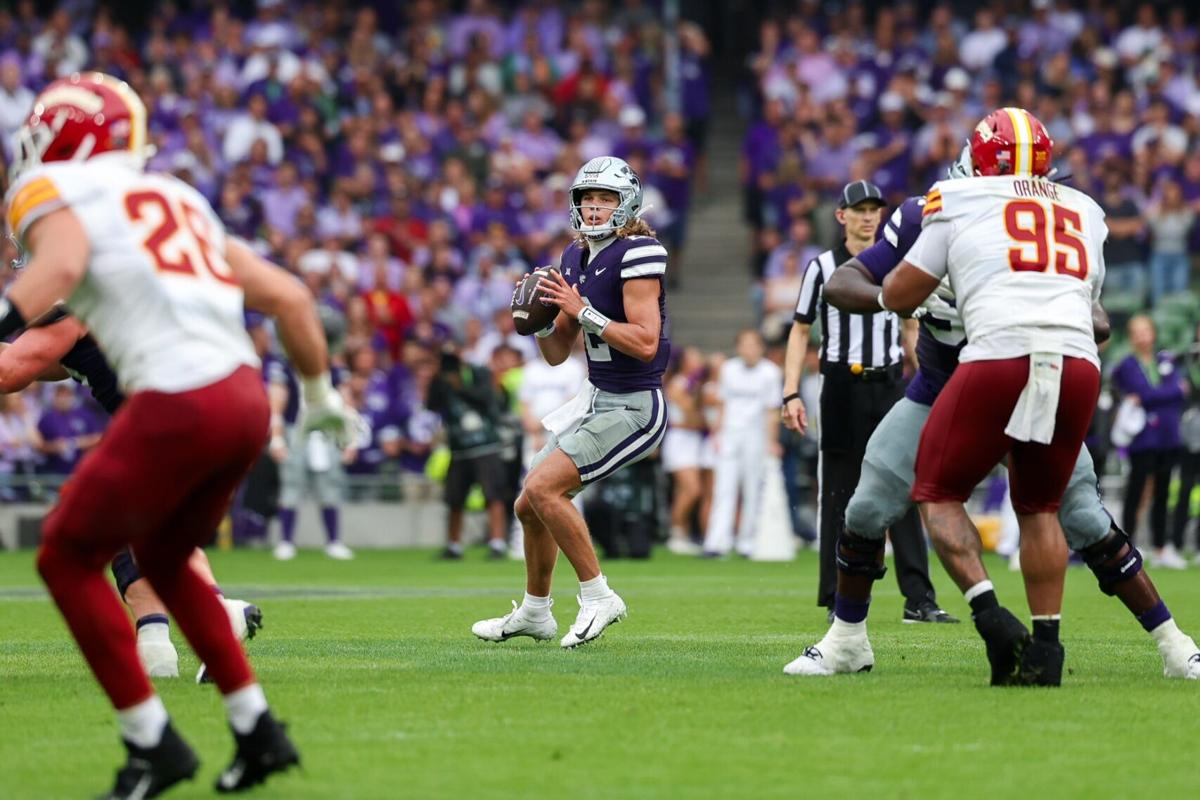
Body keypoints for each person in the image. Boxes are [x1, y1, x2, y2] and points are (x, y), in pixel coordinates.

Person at [0, 72, 357, 796]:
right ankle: (258, 730)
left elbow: (62, 266)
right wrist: (320, 397)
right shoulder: (178, 197)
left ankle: (152, 745)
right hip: (243, 400)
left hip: (175, 403)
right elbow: (290, 296)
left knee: (65, 556)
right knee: (163, 555)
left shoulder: (57, 195)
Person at [790, 158, 1200, 680]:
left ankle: (1172, 641)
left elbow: (1096, 320)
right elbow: (847, 281)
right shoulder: (930, 214)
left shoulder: (1048, 219)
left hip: (1027, 383)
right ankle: (847, 638)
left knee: (1084, 515)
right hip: (941, 388)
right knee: (869, 503)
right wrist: (904, 298)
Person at [879, 108, 1109, 686]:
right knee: (1040, 507)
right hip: (1078, 362)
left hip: (1000, 354)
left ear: (978, 156)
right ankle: (1047, 649)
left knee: (934, 490)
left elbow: (898, 291)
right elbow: (1089, 299)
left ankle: (993, 619)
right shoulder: (1086, 209)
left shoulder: (956, 199)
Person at [0, 311, 264, 682]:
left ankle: (220, 615)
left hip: (173, 419)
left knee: (103, 526)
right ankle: (155, 643)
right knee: (134, 530)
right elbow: (44, 363)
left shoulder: (70, 308)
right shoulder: (103, 304)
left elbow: (8, 373)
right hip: (215, 410)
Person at [472, 155, 669, 648]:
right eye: (588, 198)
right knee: (527, 505)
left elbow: (646, 342)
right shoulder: (573, 257)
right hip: (597, 399)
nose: (595, 207)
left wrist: (585, 312)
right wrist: (539, 322)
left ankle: (599, 595)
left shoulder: (640, 251)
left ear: (626, 205)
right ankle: (537, 613)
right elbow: (558, 353)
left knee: (543, 488)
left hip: (635, 405)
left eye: (605, 199)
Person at [781, 181, 952, 623]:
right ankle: (836, 596)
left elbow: (911, 329)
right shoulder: (821, 266)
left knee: (904, 486)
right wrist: (791, 391)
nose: (868, 216)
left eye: (875, 209)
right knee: (837, 490)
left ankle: (920, 598)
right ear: (841, 216)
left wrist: (931, 381)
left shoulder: (897, 261)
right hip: (840, 383)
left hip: (891, 382)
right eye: (859, 209)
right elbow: (800, 329)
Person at [1113, 315, 1188, 569]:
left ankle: (1160, 547)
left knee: (1163, 492)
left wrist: (1165, 394)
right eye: (1137, 332)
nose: (1143, 336)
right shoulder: (1127, 366)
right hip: (1143, 439)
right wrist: (1171, 392)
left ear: (1153, 333)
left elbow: (1179, 393)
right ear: (1132, 337)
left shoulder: (1164, 360)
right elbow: (1148, 395)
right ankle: (1127, 545)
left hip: (1168, 436)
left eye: (1146, 330)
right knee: (1136, 490)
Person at [427, 343, 511, 560]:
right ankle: (453, 545)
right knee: (454, 498)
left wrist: (459, 387)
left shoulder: (478, 373)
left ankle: (497, 542)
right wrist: (436, 378)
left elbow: (486, 399)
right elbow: (431, 404)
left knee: (493, 496)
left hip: (486, 445)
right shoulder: (441, 380)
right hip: (459, 449)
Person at [702, 329, 782, 557]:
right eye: (744, 344)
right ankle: (717, 542)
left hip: (756, 435)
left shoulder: (771, 372)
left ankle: (748, 542)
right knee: (723, 488)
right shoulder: (728, 369)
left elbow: (771, 410)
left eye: (753, 344)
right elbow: (722, 404)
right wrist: (716, 434)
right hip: (730, 434)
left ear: (761, 347)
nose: (749, 349)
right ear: (739, 347)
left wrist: (772, 441)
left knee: (752, 489)